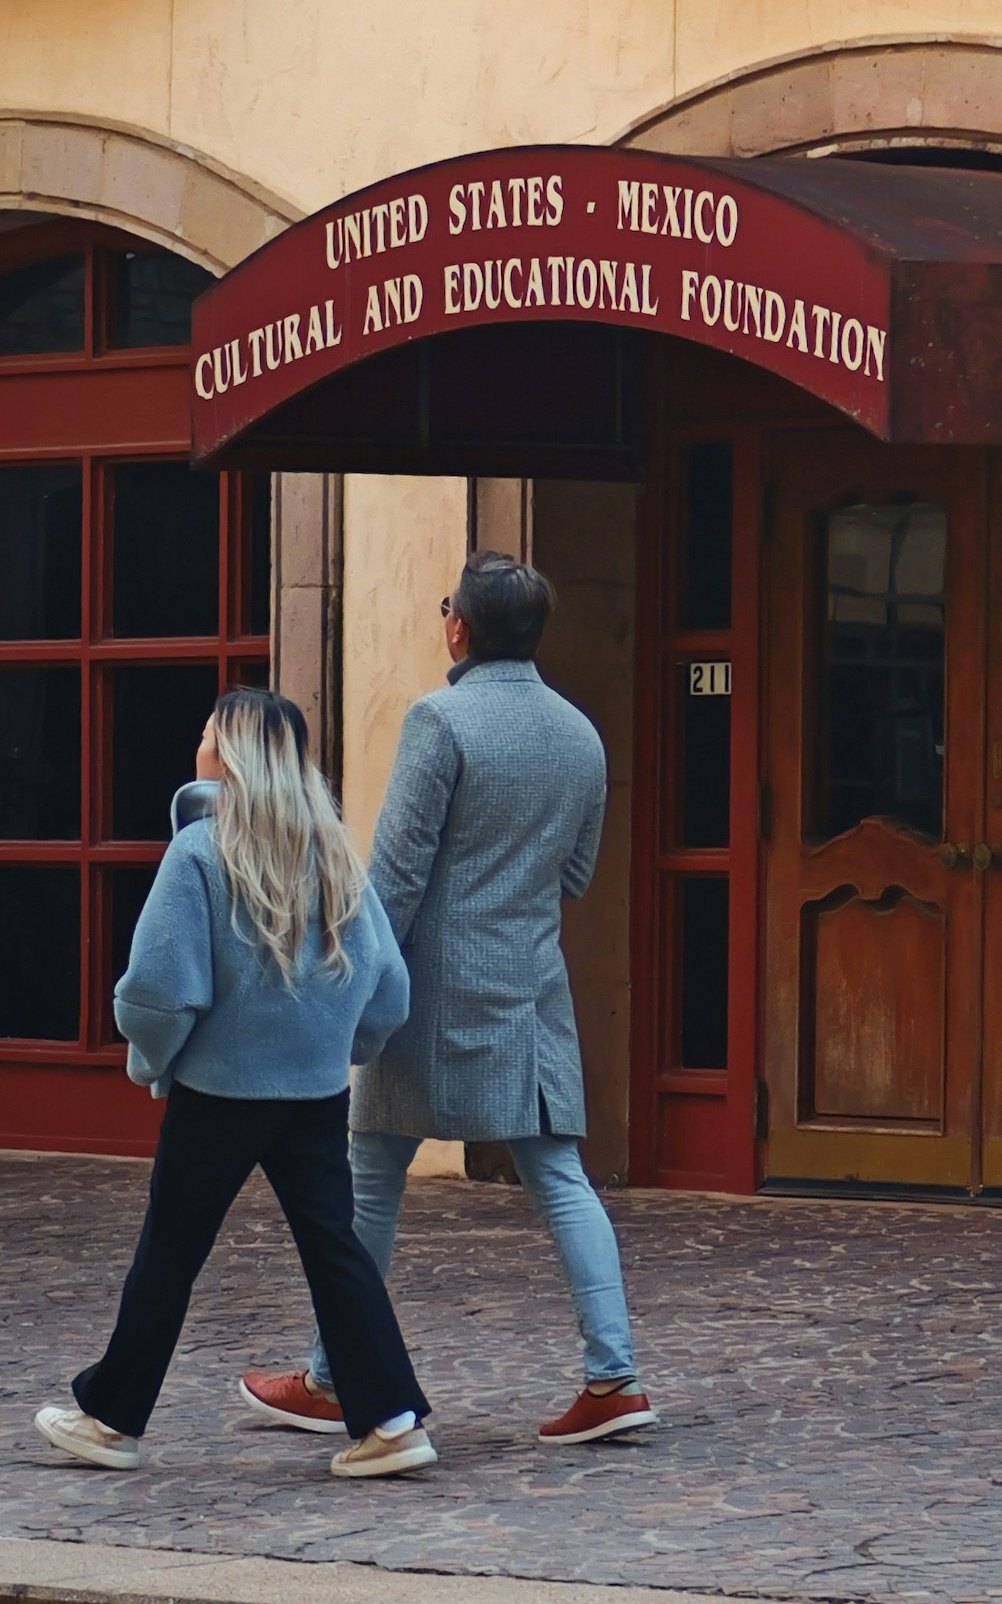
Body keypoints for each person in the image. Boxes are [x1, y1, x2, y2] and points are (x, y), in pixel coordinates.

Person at [242, 547, 655, 1450]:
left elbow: (392, 878)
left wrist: (348, 985)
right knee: (559, 1176)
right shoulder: (581, 733)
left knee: (372, 1177)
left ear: (459, 627)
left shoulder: (440, 719)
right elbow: (576, 873)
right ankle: (614, 1374)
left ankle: (326, 1374)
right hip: (532, 983)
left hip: (427, 986)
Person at [36, 689, 438, 1480]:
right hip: (316, 1094)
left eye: (205, 734)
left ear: (228, 756)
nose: (197, 746)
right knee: (335, 1250)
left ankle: (110, 1420)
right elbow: (387, 987)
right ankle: (391, 1421)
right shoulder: (334, 852)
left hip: (219, 1093)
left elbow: (155, 991)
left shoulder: (198, 851)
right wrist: (340, 1044)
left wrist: (153, 1060)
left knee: (170, 1253)